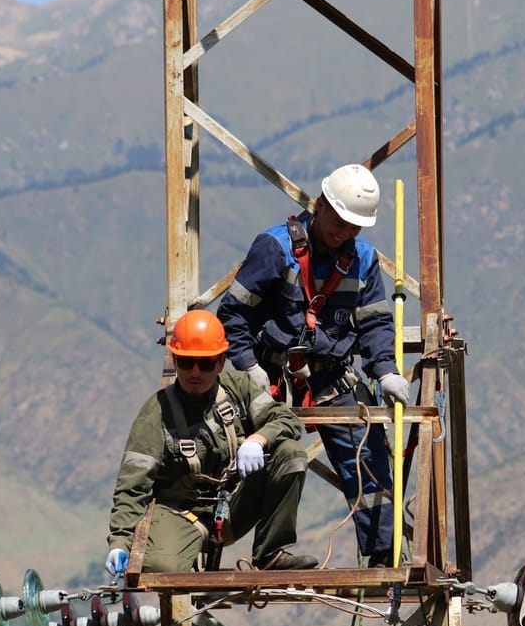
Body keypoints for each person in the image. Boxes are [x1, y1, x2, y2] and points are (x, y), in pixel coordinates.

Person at [216, 163, 410, 568]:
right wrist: (248, 367)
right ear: (320, 205)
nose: (345, 233)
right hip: (272, 374)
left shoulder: (363, 259)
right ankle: (263, 551)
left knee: (368, 458)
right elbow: (233, 313)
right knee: (277, 455)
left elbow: (374, 321)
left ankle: (381, 553)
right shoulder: (275, 248)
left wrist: (385, 370)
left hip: (331, 375)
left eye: (355, 227)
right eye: (339, 221)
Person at [105, 309, 318, 574]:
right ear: (175, 359)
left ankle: (270, 554)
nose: (195, 372)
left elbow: (286, 420)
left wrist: (258, 439)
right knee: (161, 569)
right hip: (180, 512)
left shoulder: (239, 388)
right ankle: (189, 561)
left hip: (234, 506)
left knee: (291, 454)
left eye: (205, 363)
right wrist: (120, 542)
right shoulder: (156, 413)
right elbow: (132, 486)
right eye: (186, 362)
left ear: (221, 362)